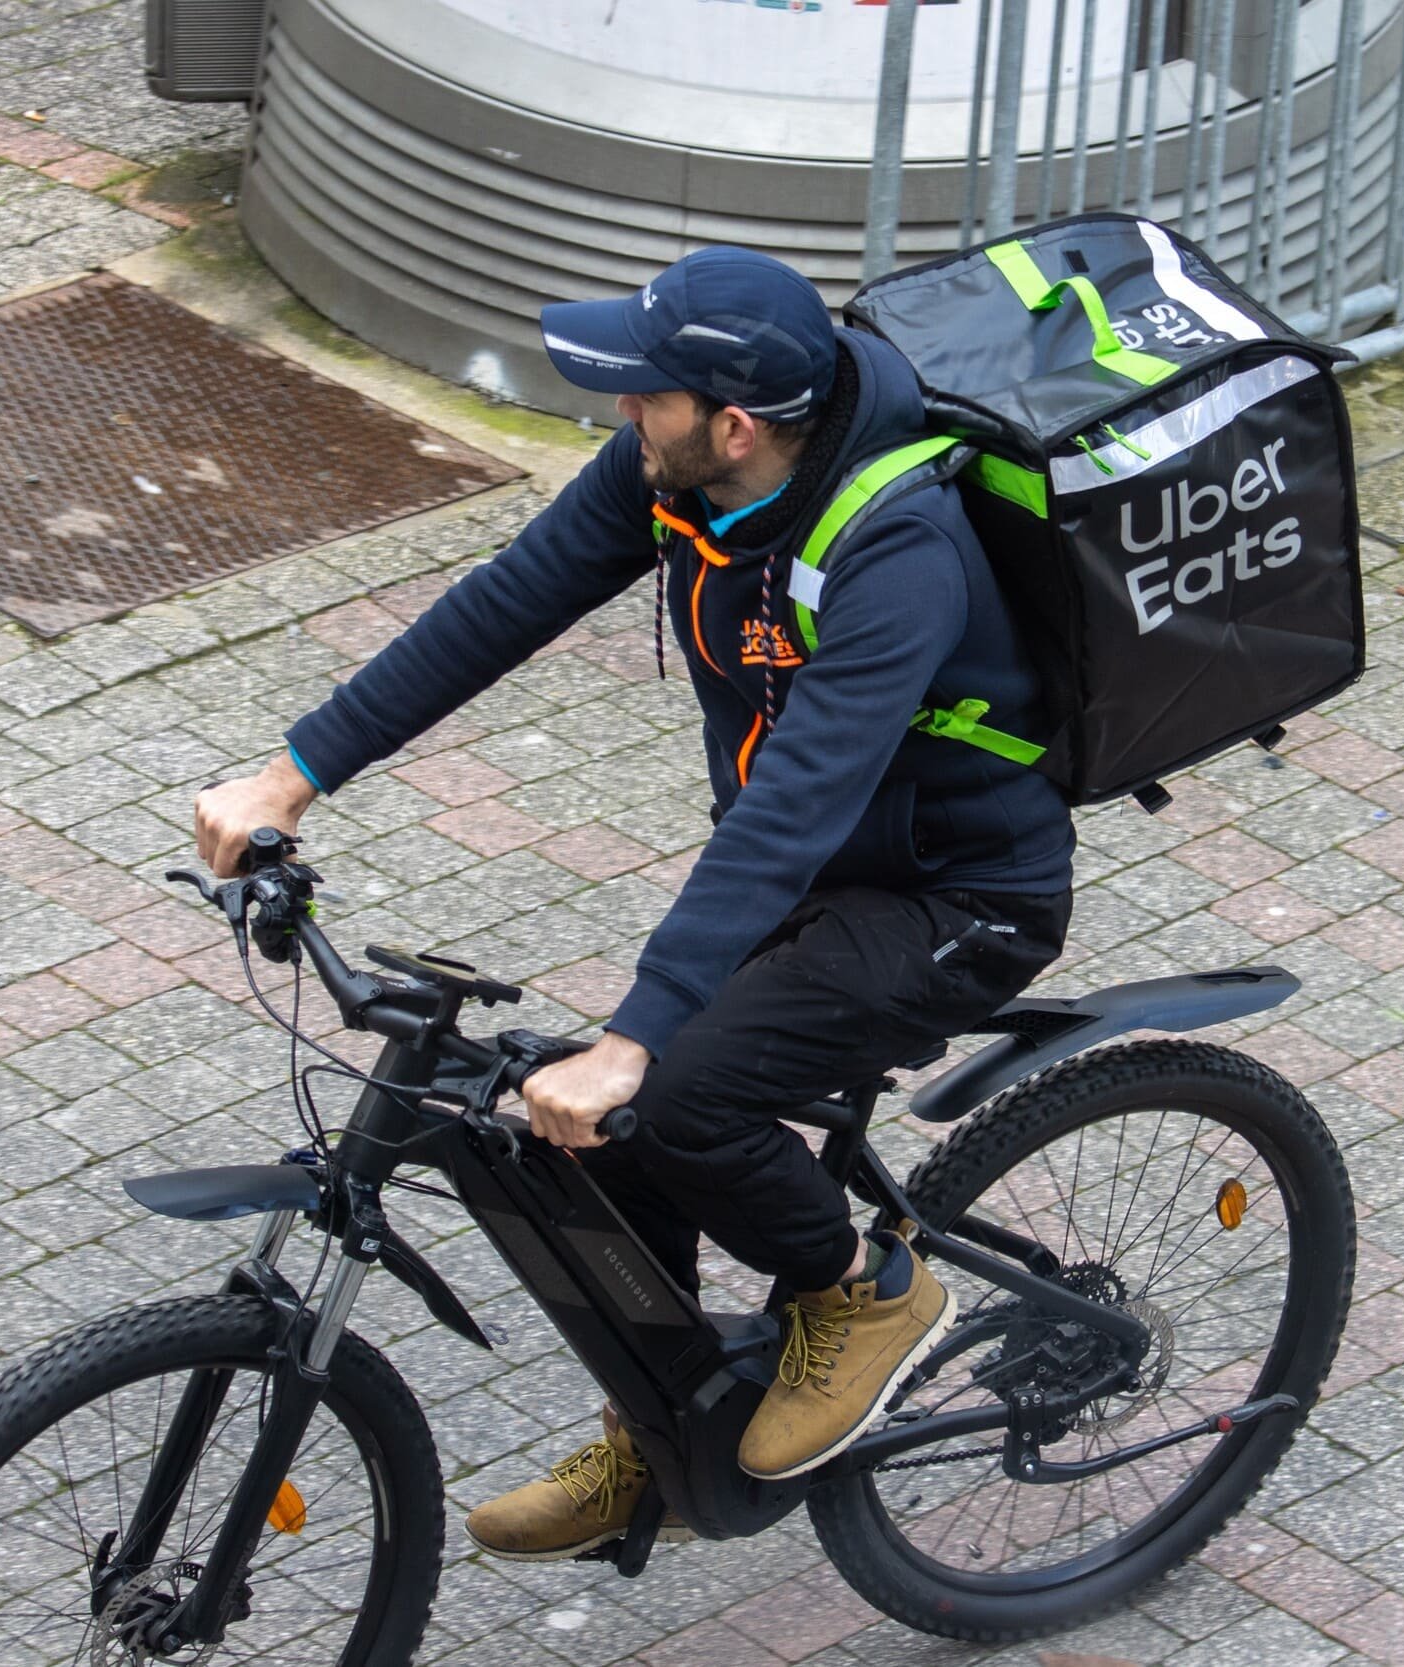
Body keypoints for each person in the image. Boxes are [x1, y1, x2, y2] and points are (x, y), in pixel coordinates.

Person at [193, 247, 1074, 1559]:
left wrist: (642, 1028)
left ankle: (865, 1292)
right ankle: (663, 1429)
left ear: (732, 422)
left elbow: (801, 804)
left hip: (954, 895)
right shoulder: (682, 477)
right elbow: (503, 603)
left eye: (644, 397)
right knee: (588, 1128)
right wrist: (294, 771)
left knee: (672, 1092)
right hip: (808, 870)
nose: (620, 416)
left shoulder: (899, 548)